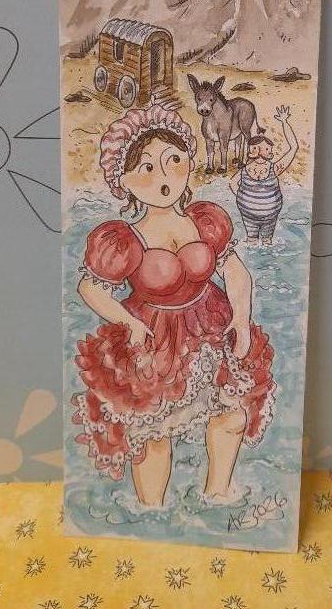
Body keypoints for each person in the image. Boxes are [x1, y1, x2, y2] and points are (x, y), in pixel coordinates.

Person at [71, 104, 276, 508]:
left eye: (173, 161)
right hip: (155, 339)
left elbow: (235, 270)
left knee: (231, 413)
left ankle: (219, 495)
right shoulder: (124, 239)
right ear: (123, 181)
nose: (163, 177)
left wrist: (241, 316)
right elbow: (90, 288)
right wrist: (127, 321)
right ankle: (151, 512)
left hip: (211, 326)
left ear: (189, 163)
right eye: (147, 168)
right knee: (154, 434)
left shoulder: (204, 220)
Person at [230, 105, 299, 245]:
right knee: (252, 241)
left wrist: (284, 122)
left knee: (267, 242)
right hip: (248, 215)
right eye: (256, 148)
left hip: (270, 216)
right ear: (250, 152)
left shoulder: (274, 168)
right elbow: (232, 183)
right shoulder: (244, 171)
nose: (260, 152)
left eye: (265, 149)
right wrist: (243, 198)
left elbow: (294, 147)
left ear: (270, 153)